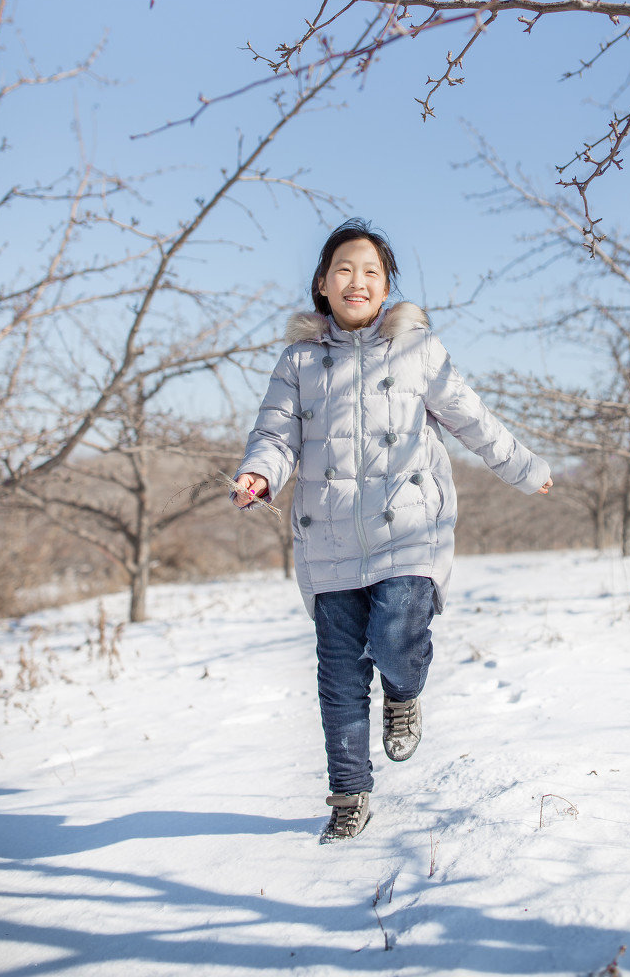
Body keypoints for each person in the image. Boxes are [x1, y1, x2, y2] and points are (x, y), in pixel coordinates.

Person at [231, 219, 552, 843]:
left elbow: (472, 419)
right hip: (328, 540)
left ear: (386, 287)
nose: (357, 281)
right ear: (322, 284)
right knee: (340, 678)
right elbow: (275, 434)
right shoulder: (298, 360)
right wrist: (259, 473)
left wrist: (526, 468)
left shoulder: (416, 350)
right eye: (344, 270)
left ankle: (404, 693)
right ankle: (349, 795)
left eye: (371, 272)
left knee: (396, 638)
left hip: (408, 531)